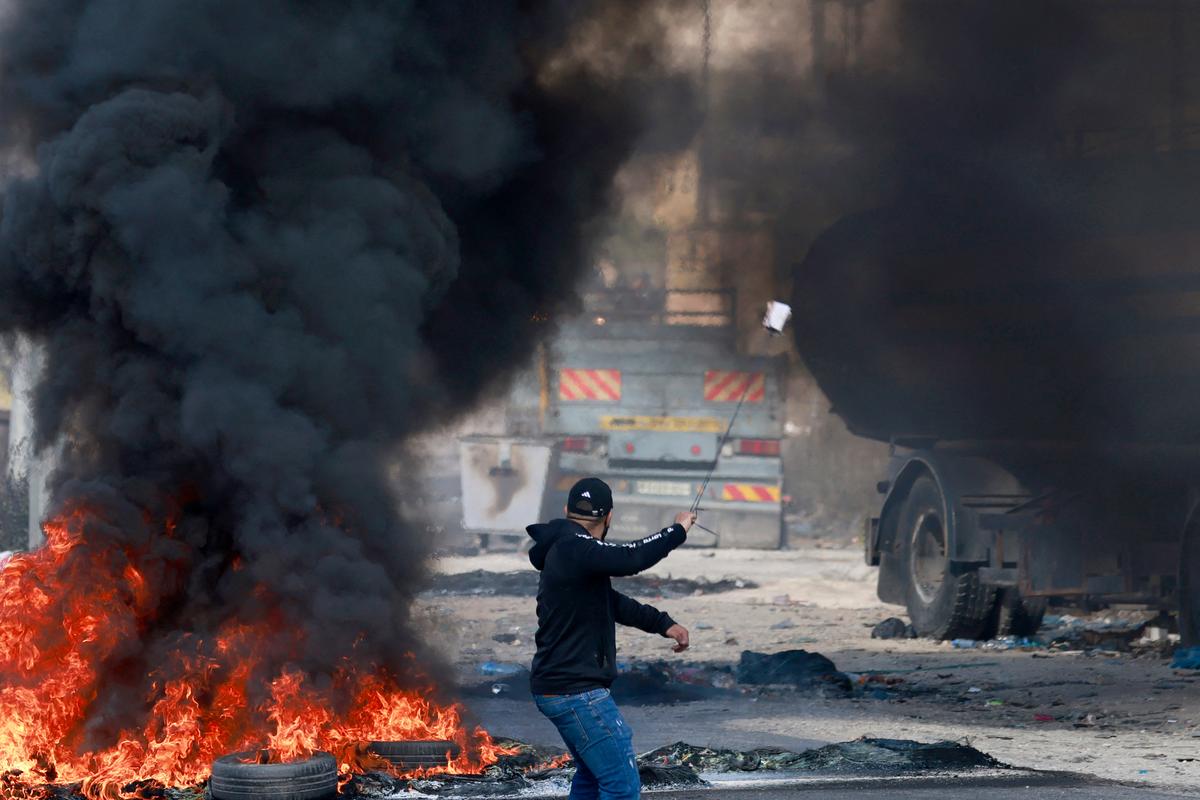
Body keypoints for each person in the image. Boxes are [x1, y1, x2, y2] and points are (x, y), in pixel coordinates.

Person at [526, 477, 694, 800]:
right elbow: (631, 557)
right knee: (621, 784)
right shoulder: (576, 547)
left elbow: (611, 602)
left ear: (566, 511)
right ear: (609, 517)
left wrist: (664, 624)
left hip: (560, 688)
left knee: (591, 778)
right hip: (575, 692)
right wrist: (678, 531)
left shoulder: (569, 551)